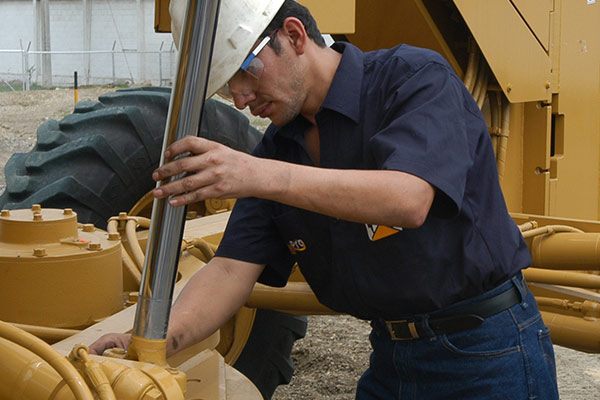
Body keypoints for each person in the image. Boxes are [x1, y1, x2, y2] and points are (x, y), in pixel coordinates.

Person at [91, 1, 559, 398]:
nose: (239, 99)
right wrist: (153, 340)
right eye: (226, 87)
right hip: (393, 356)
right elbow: (232, 268)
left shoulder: (413, 80)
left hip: (485, 353)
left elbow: (409, 198)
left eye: (244, 72)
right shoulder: (280, 148)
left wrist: (256, 174)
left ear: (293, 35)